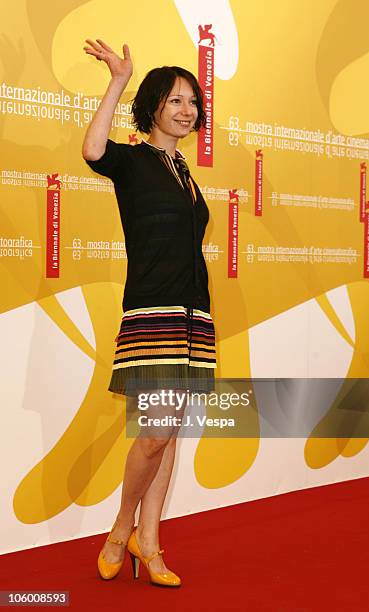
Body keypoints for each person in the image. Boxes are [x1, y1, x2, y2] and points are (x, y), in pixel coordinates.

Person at [82, 39, 216, 587]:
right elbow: (93, 151)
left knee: (170, 433)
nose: (186, 110)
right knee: (155, 434)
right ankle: (120, 530)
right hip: (152, 311)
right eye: (175, 100)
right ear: (153, 107)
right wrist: (118, 79)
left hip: (193, 315)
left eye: (193, 102)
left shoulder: (184, 170)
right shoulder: (134, 161)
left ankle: (151, 542)